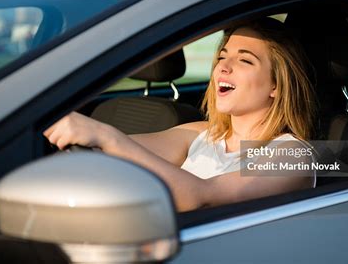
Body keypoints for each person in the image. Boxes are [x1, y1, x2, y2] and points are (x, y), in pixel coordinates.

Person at [44, 17, 317, 212]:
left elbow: (203, 198)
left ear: (276, 85)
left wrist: (106, 135)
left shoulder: (293, 156)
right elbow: (115, 156)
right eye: (222, 56)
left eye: (244, 60)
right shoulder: (200, 133)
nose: (224, 67)